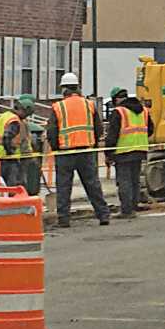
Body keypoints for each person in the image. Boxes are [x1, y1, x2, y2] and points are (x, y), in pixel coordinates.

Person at [47, 72, 111, 228]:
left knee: (63, 186)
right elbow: (99, 128)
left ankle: (64, 219)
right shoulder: (89, 104)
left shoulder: (58, 106)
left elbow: (52, 131)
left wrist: (56, 148)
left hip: (65, 152)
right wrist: (93, 144)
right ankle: (103, 215)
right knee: (92, 184)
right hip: (86, 151)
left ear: (64, 89)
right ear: (78, 87)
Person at [104, 86, 152, 218]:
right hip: (140, 149)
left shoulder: (119, 112)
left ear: (116, 99)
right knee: (134, 180)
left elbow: (112, 136)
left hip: (123, 151)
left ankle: (126, 210)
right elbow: (150, 130)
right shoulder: (144, 111)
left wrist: (108, 153)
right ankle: (133, 205)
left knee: (124, 181)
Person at [0, 95, 35, 187]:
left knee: (0, 185)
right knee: (12, 186)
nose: (25, 117)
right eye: (26, 114)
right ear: (23, 109)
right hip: (8, 158)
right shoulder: (14, 120)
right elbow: (7, 137)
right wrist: (10, 152)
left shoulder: (4, 116)